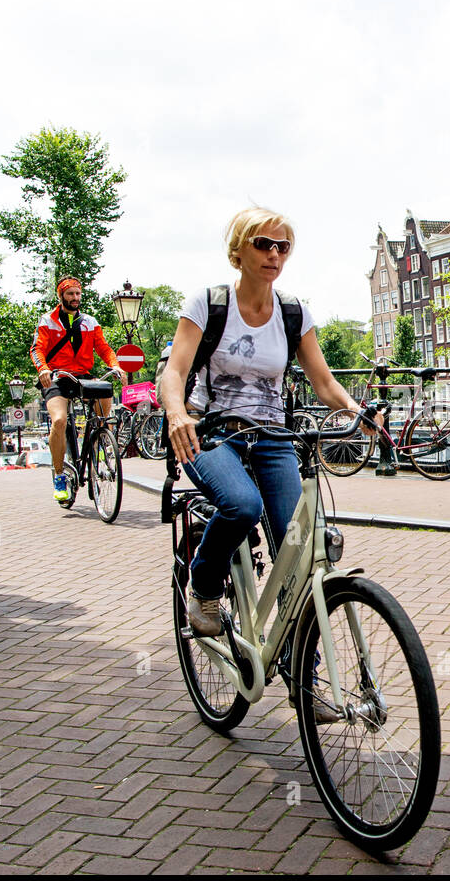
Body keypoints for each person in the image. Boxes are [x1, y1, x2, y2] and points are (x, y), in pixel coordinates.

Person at [162, 207, 381, 638]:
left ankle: (306, 671)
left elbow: (324, 383)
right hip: (211, 435)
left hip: (273, 438)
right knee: (243, 506)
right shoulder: (208, 304)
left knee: (297, 550)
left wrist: (356, 411)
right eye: (263, 244)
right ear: (238, 251)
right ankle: (204, 587)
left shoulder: (294, 312)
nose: (275, 254)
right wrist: (177, 415)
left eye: (283, 246)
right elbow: (175, 371)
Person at [30, 276, 122, 503]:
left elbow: (103, 347)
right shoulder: (47, 321)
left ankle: (100, 443)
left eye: (77, 294)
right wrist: (43, 369)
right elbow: (37, 349)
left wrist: (115, 364)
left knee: (104, 407)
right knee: (60, 421)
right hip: (58, 377)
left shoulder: (90, 322)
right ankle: (59, 475)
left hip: (83, 376)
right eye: (70, 294)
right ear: (61, 296)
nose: (75, 298)